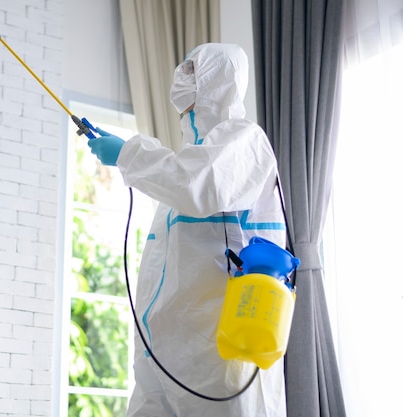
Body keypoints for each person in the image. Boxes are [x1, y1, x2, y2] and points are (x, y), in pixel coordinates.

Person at [87, 43, 287, 416]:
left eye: (193, 70)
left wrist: (128, 153)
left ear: (219, 77)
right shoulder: (185, 162)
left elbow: (199, 184)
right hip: (162, 351)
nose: (181, 76)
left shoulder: (244, 141)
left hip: (218, 355)